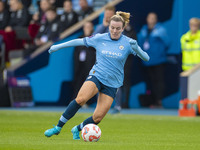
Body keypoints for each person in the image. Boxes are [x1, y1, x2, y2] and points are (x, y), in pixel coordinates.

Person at [44, 11, 149, 140]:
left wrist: (137, 48)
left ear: (122, 28)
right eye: (112, 28)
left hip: (112, 83)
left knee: (97, 118)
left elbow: (146, 58)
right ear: (108, 26)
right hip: (97, 76)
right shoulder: (100, 38)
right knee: (81, 99)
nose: (115, 31)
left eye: (118, 28)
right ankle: (58, 127)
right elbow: (79, 41)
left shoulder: (128, 42)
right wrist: (58, 46)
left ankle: (77, 129)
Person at [138, 12, 170, 107]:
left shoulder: (161, 30)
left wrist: (160, 52)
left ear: (156, 20)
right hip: (147, 61)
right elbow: (140, 43)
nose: (151, 20)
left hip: (159, 61)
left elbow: (168, 42)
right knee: (150, 82)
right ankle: (152, 101)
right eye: (150, 18)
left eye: (153, 18)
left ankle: (159, 101)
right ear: (147, 19)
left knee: (159, 82)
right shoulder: (143, 30)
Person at [73, 21, 96, 102]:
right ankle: (76, 100)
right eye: (86, 27)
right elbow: (75, 52)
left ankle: (87, 102)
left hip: (90, 65)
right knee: (78, 82)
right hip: (79, 65)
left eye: (89, 27)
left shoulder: (94, 39)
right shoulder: (79, 38)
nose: (87, 29)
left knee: (88, 84)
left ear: (92, 28)